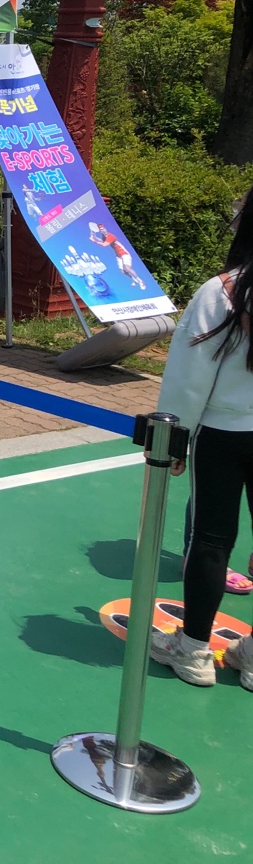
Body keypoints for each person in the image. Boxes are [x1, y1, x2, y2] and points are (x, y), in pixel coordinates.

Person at [146, 186, 253, 690]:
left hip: (225, 431)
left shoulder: (223, 291)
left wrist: (175, 436)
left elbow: (189, 379)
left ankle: (192, 649)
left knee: (211, 539)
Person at [88, 222, 147, 291]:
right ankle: (135, 279)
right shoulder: (104, 237)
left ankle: (140, 281)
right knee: (123, 271)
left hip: (124, 253)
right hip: (118, 256)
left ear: (105, 229)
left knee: (127, 267)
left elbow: (104, 245)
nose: (103, 230)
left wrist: (94, 241)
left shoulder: (110, 236)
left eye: (103, 229)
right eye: (101, 230)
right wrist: (95, 238)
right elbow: (103, 241)